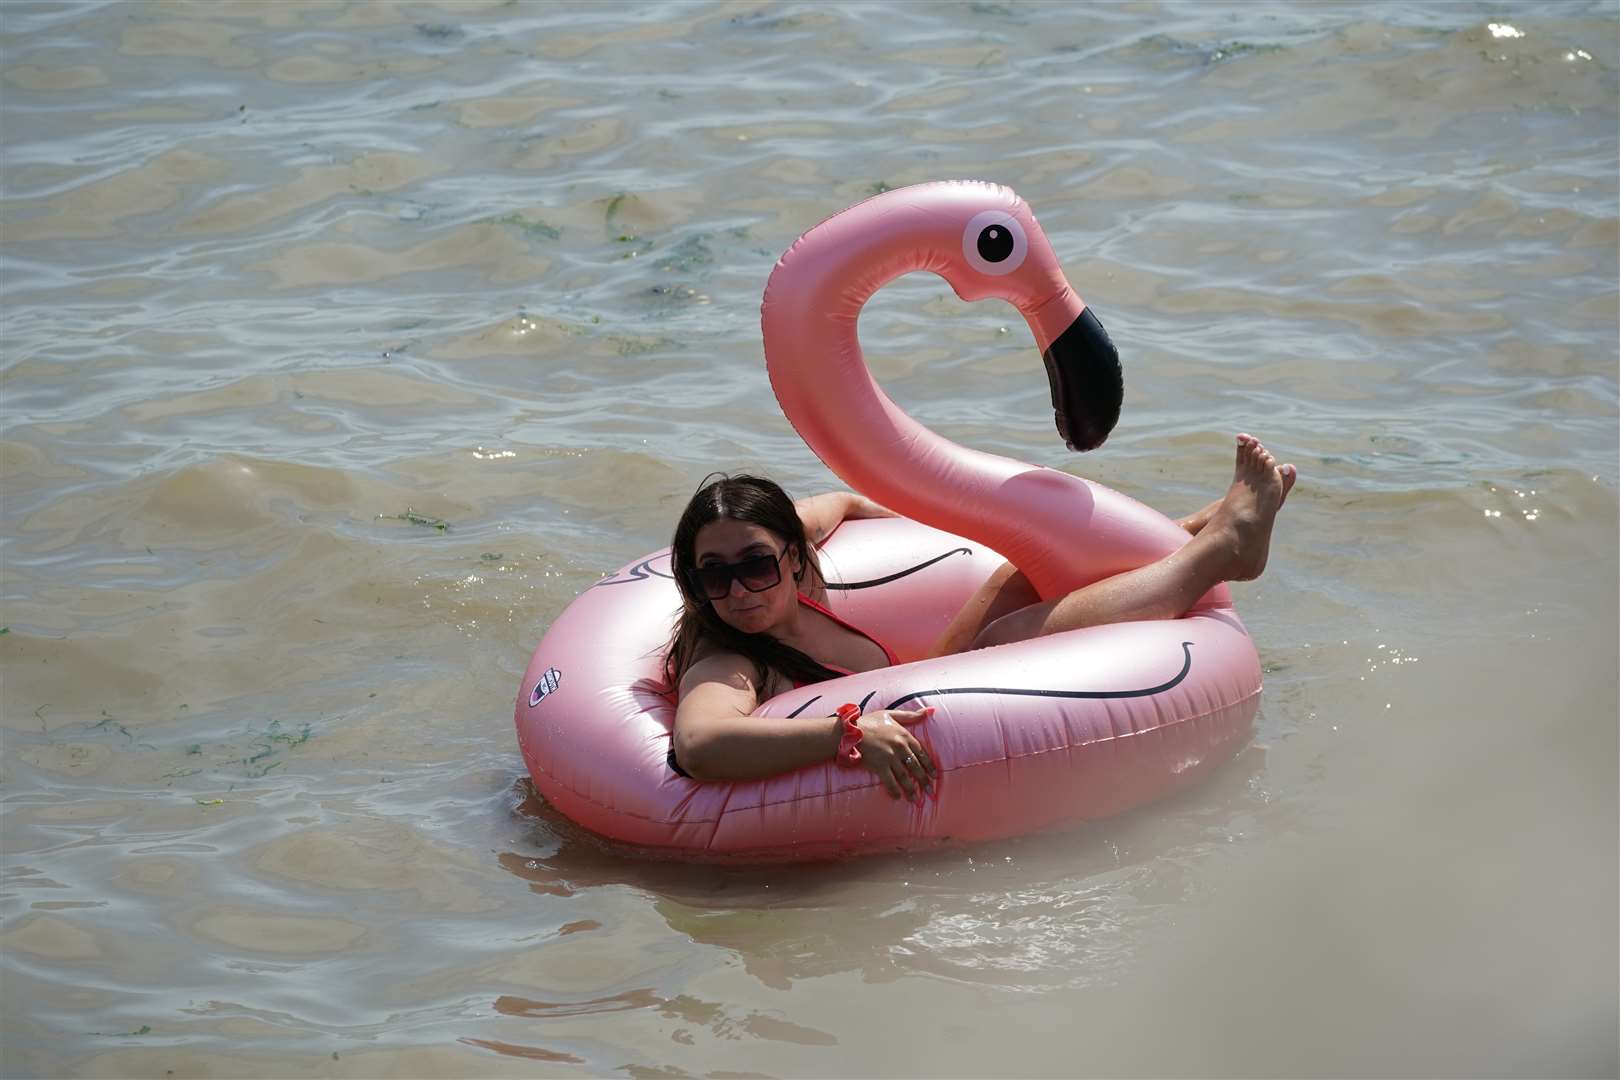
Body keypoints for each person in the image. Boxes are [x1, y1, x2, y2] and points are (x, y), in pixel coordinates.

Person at [664, 434, 1297, 802]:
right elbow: (698, 744)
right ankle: (1215, 553)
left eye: (755, 563)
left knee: (1013, 575)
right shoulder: (731, 655)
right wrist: (844, 734)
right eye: (712, 574)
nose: (738, 587)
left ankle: (1184, 529)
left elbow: (842, 501)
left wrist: (920, 523)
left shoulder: (794, 581)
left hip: (928, 670)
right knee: (1004, 638)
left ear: (795, 555)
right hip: (933, 714)